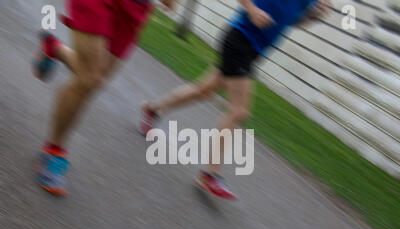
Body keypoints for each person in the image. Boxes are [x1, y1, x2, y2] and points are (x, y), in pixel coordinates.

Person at [140, 0, 330, 200]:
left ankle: (153, 109)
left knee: (203, 91)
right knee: (239, 110)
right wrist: (252, 9)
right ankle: (210, 174)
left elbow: (292, 21)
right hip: (241, 40)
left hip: (253, 50)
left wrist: (314, 16)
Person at [33, 0, 177, 195]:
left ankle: (53, 48)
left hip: (136, 7)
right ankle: (54, 150)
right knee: (89, 78)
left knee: (95, 79)